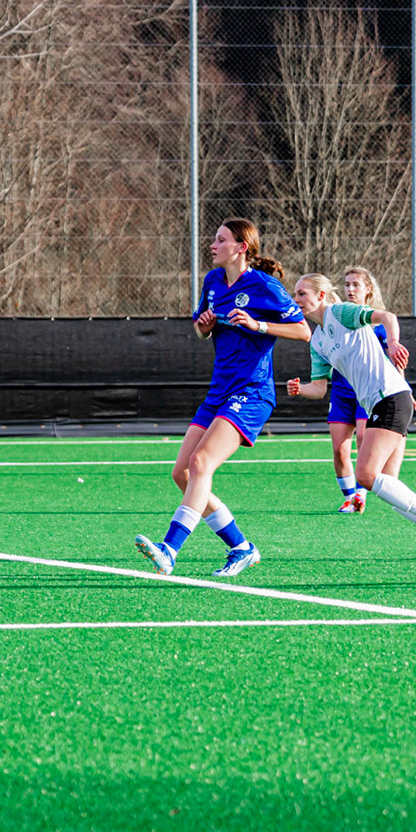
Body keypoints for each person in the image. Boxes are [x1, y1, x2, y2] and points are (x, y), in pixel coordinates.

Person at [134, 219, 309, 578]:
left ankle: (169, 549)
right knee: (182, 473)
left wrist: (257, 325)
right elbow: (200, 329)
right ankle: (241, 547)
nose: (212, 245)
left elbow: (304, 331)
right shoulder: (213, 281)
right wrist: (205, 325)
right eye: (214, 239)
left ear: (242, 247)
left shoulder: (264, 286)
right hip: (219, 390)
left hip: (252, 392)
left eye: (220, 239)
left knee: (201, 465)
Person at [285, 275, 416, 561]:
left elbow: (387, 316)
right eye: (294, 294)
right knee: (390, 487)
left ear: (321, 296)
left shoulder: (341, 312)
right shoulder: (317, 341)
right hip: (379, 404)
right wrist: (299, 389)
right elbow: (319, 389)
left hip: (391, 396)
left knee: (366, 476)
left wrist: (393, 343)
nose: (296, 300)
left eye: (302, 293)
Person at [325, 266, 409, 513]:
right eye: (347, 284)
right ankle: (350, 496)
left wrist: (404, 389)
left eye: (356, 285)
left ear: (368, 290)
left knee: (363, 436)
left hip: (369, 391)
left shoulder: (378, 324)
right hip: (341, 390)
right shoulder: (338, 319)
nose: (350, 289)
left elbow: (395, 362)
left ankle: (360, 495)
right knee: (340, 449)